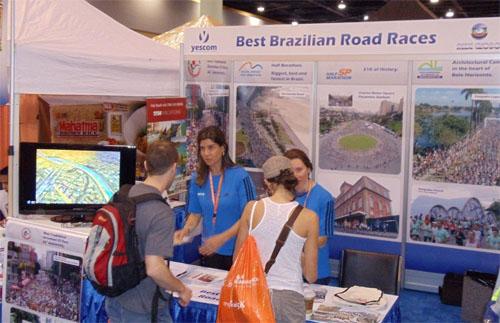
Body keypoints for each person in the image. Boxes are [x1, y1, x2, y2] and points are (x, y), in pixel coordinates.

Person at [106, 141, 192, 323]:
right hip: (143, 308)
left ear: (145, 165)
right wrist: (181, 289)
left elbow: (131, 240)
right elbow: (154, 269)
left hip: (115, 299)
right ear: (174, 168)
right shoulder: (161, 212)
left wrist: (167, 240)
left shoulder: (122, 195)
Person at [234, 155, 318, 323]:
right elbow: (311, 275)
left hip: (254, 294)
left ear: (267, 182)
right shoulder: (309, 217)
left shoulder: (251, 208)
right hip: (289, 299)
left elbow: (237, 259)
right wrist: (294, 255)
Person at [175, 126, 256, 270]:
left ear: (223, 148)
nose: (206, 153)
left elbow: (249, 217)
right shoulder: (197, 178)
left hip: (237, 250)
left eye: (211, 147)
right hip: (209, 251)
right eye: (202, 148)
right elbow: (195, 213)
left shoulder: (240, 176)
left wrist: (222, 238)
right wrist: (185, 230)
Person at [284, 148, 335, 285]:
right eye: (290, 171)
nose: (295, 175)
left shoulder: (324, 198)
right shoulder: (283, 195)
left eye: (299, 170)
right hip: (286, 268)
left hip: (315, 270)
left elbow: (323, 239)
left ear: (308, 169)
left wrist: (293, 245)